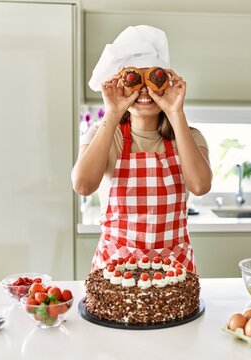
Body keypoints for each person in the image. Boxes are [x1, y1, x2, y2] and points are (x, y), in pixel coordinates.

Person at [72, 25, 212, 273]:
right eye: (134, 80)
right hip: (114, 273)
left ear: (166, 84)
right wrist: (113, 111)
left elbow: (200, 186)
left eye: (153, 78)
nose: (144, 90)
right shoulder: (101, 134)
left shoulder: (189, 136)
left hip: (174, 272)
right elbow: (83, 186)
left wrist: (175, 111)